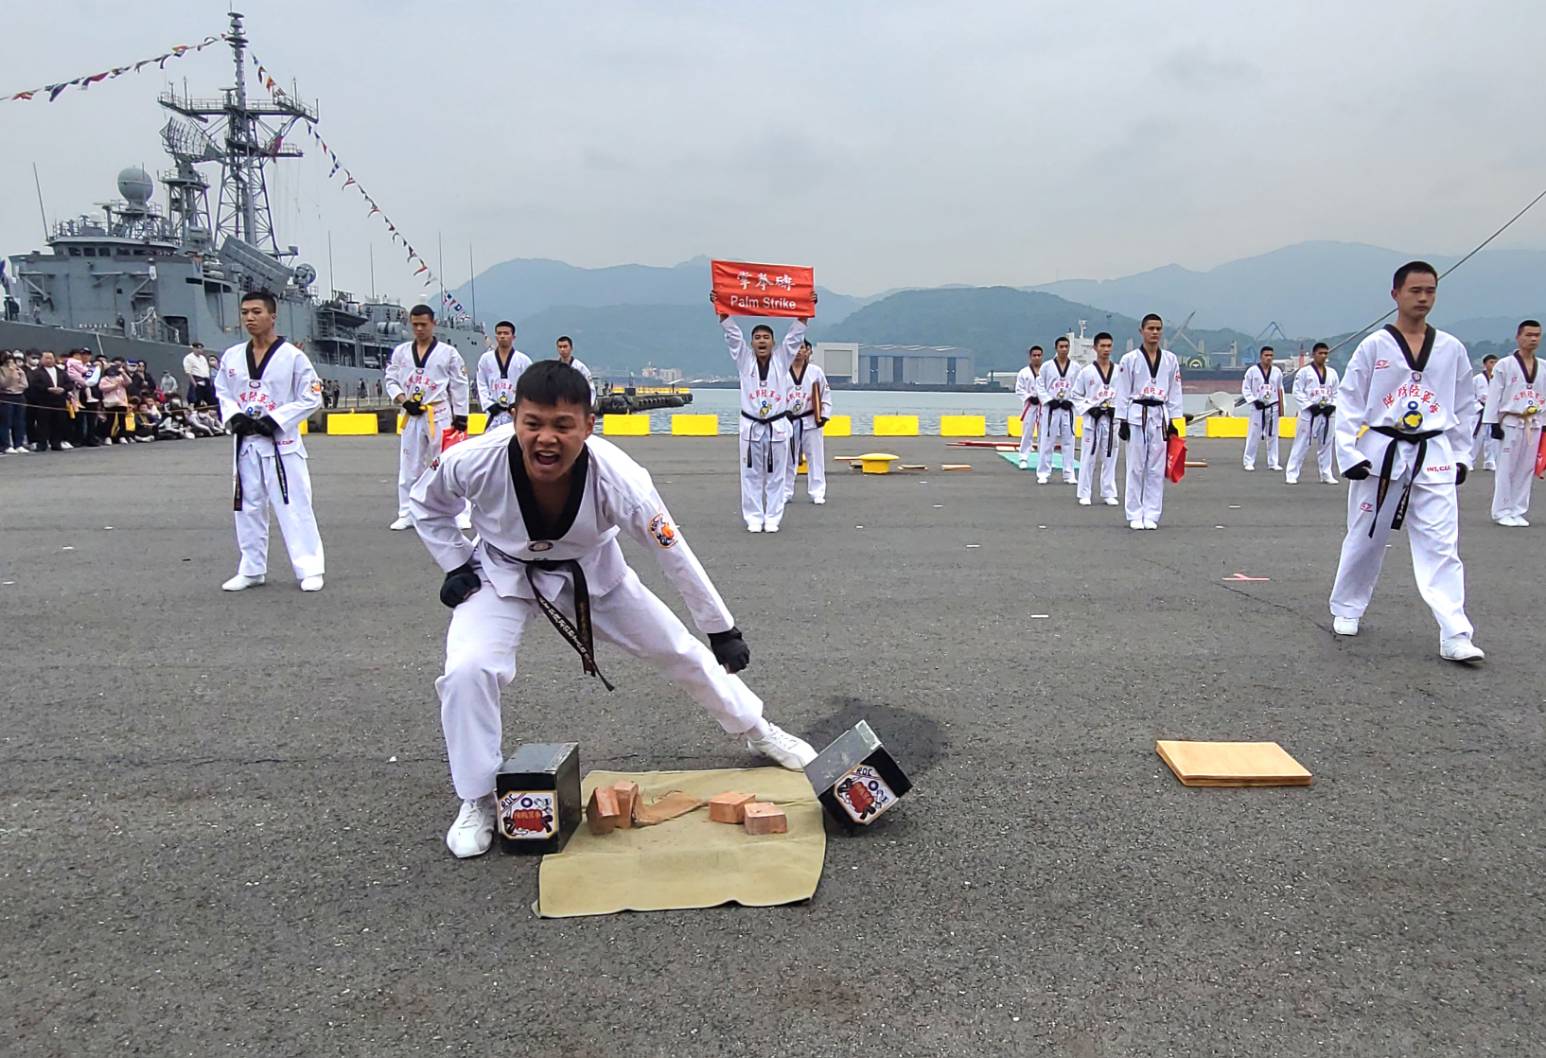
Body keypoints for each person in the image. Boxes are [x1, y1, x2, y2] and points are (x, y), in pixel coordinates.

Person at [409, 360, 818, 858]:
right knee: (467, 670)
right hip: (500, 571)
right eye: (533, 423)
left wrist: (721, 628)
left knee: (679, 651)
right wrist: (454, 562)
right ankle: (476, 796)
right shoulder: (472, 460)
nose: (546, 439)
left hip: (593, 572)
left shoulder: (620, 478)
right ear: (513, 417)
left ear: (588, 424)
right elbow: (427, 504)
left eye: (563, 425)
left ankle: (758, 730)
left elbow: (673, 553)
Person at [1328, 261, 1482, 661]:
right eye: (1415, 290)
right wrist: (1350, 453)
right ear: (1395, 294)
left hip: (1434, 453)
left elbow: (1466, 405)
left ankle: (1455, 632)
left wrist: (1464, 454)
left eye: (1430, 290)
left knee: (1442, 545)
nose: (1423, 298)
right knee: (1366, 536)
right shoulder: (1374, 346)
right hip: (1381, 454)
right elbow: (1349, 401)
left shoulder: (1450, 348)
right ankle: (1347, 606)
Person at [214, 289, 327, 593]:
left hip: (281, 445)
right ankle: (252, 568)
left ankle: (310, 568)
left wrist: (276, 420)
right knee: (246, 506)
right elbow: (222, 390)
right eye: (244, 312)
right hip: (246, 444)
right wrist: (233, 415)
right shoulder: (233, 356)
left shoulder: (293, 357)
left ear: (272, 316)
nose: (249, 318)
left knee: (294, 504)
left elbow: (312, 396)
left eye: (256, 312)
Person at [713, 293, 808, 533]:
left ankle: (773, 517)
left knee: (778, 475)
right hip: (751, 426)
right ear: (752, 343)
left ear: (773, 343)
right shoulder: (744, 360)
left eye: (766, 337)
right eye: (757, 338)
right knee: (751, 474)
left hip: (777, 426)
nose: (762, 341)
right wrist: (723, 313)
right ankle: (754, 517)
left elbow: (795, 337)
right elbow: (733, 337)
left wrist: (805, 310)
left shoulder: (782, 360)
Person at [384, 305, 469, 530]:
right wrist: (404, 400)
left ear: (433, 324)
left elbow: (459, 384)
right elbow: (391, 379)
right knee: (409, 464)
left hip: (439, 412)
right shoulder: (401, 352)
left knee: (446, 463)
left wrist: (461, 416)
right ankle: (407, 512)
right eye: (415, 325)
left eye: (424, 324)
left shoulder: (448, 353)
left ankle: (458, 511)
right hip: (411, 414)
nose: (419, 329)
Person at [1114, 314, 1183, 530]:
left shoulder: (1170, 359)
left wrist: (1174, 420)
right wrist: (1122, 420)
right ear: (1141, 331)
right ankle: (1134, 513)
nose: (1155, 332)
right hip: (1137, 413)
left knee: (1155, 467)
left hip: (1160, 414)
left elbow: (1175, 392)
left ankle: (1152, 513)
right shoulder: (1130, 359)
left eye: (1158, 329)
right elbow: (1123, 391)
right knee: (1135, 466)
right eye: (1150, 328)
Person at [1482, 320, 1544, 527]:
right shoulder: (1505, 365)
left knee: (1526, 468)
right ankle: (1501, 511)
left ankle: (1518, 509)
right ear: (1518, 337)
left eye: (1537, 335)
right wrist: (1492, 423)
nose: (1533, 339)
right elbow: (1494, 395)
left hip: (1533, 422)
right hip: (1510, 421)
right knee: (1506, 468)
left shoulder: (1543, 367)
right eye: (1528, 335)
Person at [1072, 331, 1120, 506]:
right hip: (1093, 420)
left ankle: (1108, 492)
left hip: (1111, 419)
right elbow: (1076, 395)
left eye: (1108, 346)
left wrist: (1119, 411)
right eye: (1102, 346)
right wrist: (1089, 409)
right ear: (1095, 348)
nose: (1106, 350)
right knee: (1088, 456)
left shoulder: (1119, 371)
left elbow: (1125, 396)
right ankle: (1084, 492)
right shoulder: (1087, 372)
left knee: (1110, 456)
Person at [785, 339, 832, 505]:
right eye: (795, 348)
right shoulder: (782, 371)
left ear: (809, 351)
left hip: (811, 419)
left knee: (815, 457)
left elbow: (825, 395)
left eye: (802, 348)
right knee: (787, 457)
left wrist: (823, 416)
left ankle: (817, 491)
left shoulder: (815, 372)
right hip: (788, 420)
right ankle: (785, 491)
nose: (798, 351)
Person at [1285, 342, 1340, 485]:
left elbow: (1336, 392)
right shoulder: (1304, 372)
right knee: (1302, 443)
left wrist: (1332, 405)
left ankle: (1326, 474)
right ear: (1314, 354)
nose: (1323, 356)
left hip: (1327, 413)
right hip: (1310, 414)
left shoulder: (1332, 373)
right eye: (1320, 353)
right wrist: (1309, 405)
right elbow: (1297, 391)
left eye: (1325, 353)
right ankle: (1292, 473)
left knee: (1327, 444)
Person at [1037, 336, 1079, 484]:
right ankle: (1043, 472)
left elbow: (1079, 388)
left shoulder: (1075, 367)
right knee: (1047, 440)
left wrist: (1072, 401)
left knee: (1069, 441)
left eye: (1066, 347)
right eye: (1061, 347)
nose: (1064, 349)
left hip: (1068, 408)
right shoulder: (1047, 367)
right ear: (1056, 348)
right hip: (1052, 408)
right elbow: (1040, 385)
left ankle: (1069, 473)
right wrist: (1049, 400)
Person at [476, 321, 532, 430]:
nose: (502, 336)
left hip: (514, 412)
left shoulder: (523, 360)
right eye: (499, 333)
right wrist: (488, 405)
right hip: (493, 412)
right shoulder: (485, 359)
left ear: (513, 337)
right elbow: (481, 383)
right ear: (495, 336)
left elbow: (530, 386)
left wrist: (518, 404)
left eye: (506, 333)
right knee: (492, 444)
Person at [1241, 346, 1284, 471]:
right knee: (1254, 434)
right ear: (1261, 357)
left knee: (1273, 434)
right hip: (1258, 406)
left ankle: (1273, 462)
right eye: (1266, 355)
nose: (1269, 358)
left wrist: (1281, 408)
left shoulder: (1277, 372)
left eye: (1271, 355)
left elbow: (1279, 389)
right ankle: (1248, 461)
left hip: (1273, 406)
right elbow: (1246, 388)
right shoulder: (1252, 371)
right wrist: (1253, 400)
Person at [25, 350, 73, 452]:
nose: (49, 360)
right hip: (44, 401)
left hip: (59, 401)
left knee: (59, 422)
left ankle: (56, 443)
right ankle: (42, 444)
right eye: (46, 358)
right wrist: (47, 389)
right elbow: (34, 385)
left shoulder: (61, 372)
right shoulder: (36, 372)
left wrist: (63, 389)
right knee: (43, 424)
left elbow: (69, 384)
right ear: (41, 359)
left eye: (50, 358)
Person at [1013, 346, 1044, 470]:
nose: (1037, 357)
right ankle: (1023, 457)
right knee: (1027, 432)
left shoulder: (1046, 371)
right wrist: (1029, 397)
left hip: (1043, 406)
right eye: (1034, 355)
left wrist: (1044, 398)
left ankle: (1043, 459)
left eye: (1039, 355)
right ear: (1030, 357)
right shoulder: (1024, 372)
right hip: (1030, 405)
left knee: (1044, 433)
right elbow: (1019, 389)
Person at [1472, 354, 1500, 472]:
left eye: (1495, 362)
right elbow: (1470, 395)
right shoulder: (1477, 379)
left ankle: (1489, 461)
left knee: (1492, 437)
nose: (1493, 365)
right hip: (1480, 411)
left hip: (1494, 411)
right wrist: (1478, 407)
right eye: (1491, 362)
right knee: (1476, 437)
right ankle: (1470, 461)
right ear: (1485, 365)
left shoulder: (1499, 378)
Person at [554, 336, 596, 408]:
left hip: (577, 406)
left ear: (571, 348)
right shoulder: (554, 368)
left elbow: (590, 389)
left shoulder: (581, 368)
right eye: (560, 347)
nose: (562, 349)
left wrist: (588, 407)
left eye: (565, 346)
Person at [99, 358, 132, 445]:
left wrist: (123, 373)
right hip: (110, 402)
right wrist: (114, 386)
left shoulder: (120, 378)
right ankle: (108, 437)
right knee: (110, 420)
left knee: (122, 420)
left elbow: (129, 382)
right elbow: (102, 388)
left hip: (121, 402)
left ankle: (122, 436)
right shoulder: (104, 379)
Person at [0, 351, 28, 454]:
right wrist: (11, 374)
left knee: (19, 422)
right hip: (5, 396)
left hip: (19, 396)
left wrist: (21, 374)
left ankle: (19, 444)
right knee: (5, 422)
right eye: (7, 358)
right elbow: (3, 384)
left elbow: (25, 384)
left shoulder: (18, 369)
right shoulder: (2, 370)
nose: (9, 360)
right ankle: (5, 445)